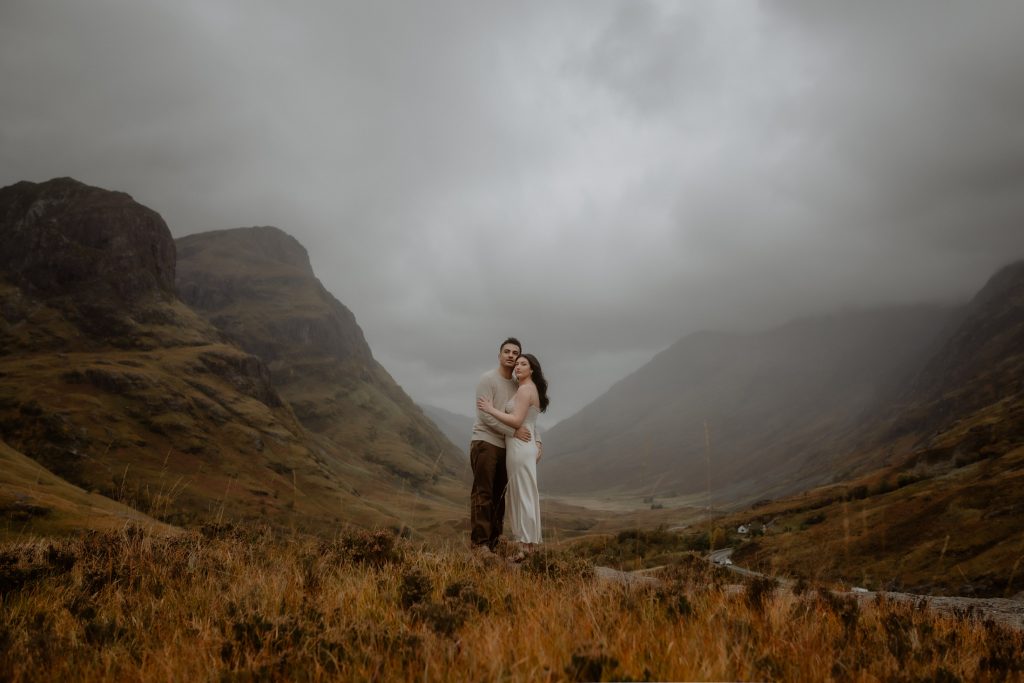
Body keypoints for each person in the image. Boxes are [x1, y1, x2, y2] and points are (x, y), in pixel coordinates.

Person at [477, 352, 549, 557]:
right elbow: (530, 422)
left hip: (519, 445)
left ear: (532, 369)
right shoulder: (526, 388)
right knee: (522, 493)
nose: (518, 367)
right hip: (521, 446)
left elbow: (517, 421)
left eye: (523, 364)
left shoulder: (526, 389)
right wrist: (538, 440)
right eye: (517, 364)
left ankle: (525, 546)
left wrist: (490, 409)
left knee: (523, 494)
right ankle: (526, 546)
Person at [470, 338, 532, 554]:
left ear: (518, 359)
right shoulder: (487, 379)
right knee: (483, 493)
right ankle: (480, 545)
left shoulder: (517, 386)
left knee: (499, 496)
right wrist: (512, 431)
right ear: (499, 355)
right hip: (485, 442)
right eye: (506, 351)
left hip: (507, 447)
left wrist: (537, 440)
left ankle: (494, 544)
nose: (511, 355)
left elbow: (525, 416)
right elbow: (485, 416)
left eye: (515, 353)